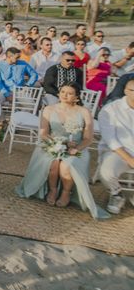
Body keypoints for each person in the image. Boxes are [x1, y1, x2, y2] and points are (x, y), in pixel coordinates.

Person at [16, 83, 108, 219]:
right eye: (62, 92)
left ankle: (66, 192)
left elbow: (88, 139)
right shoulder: (49, 109)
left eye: (69, 93)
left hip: (77, 146)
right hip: (52, 144)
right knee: (53, 164)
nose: (65, 95)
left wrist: (75, 148)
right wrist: (59, 143)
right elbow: (43, 133)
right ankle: (52, 190)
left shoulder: (84, 112)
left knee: (66, 166)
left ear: (76, 97)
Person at [98, 78, 134, 215]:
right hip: (119, 152)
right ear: (125, 91)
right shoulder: (111, 109)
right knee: (107, 172)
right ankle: (117, 194)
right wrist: (130, 159)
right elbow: (111, 140)